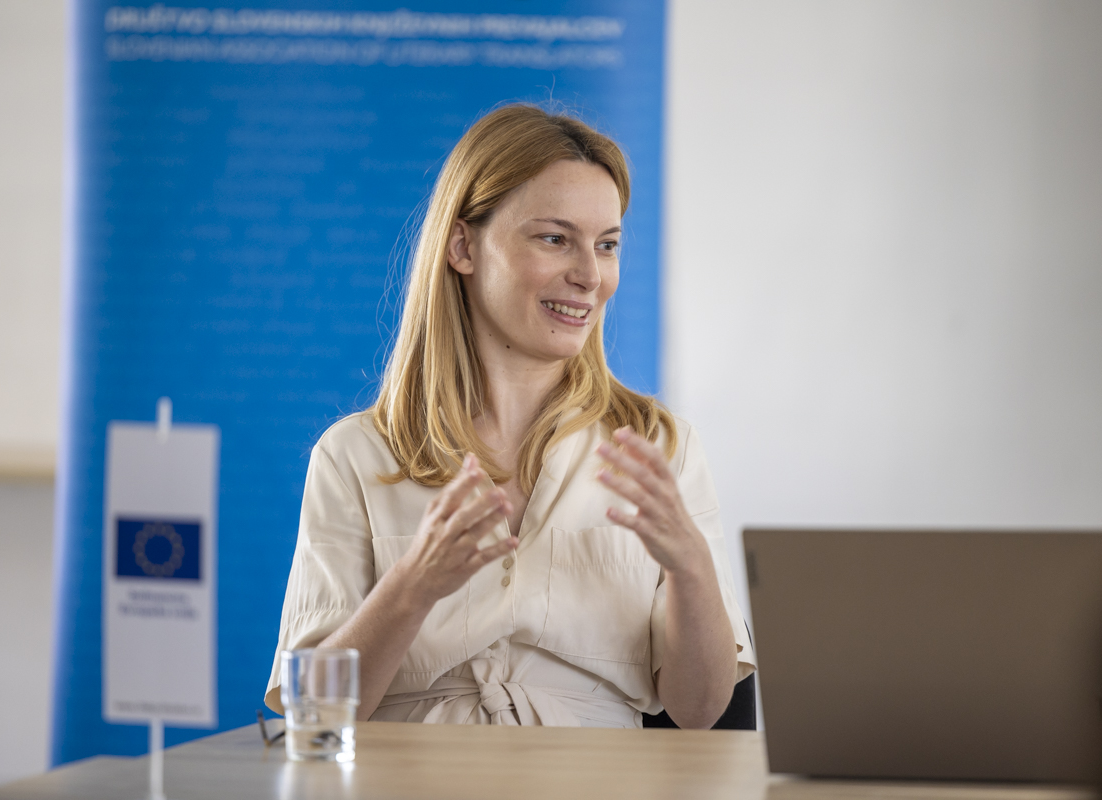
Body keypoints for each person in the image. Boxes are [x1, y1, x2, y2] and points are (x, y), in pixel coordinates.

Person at [265, 104, 754, 728]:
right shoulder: (354, 456)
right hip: (410, 774)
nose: (590, 276)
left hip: (598, 775)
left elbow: (701, 710)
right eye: (555, 239)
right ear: (463, 246)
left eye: (606, 246)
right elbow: (314, 715)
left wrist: (690, 567)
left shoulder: (660, 446)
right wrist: (413, 586)